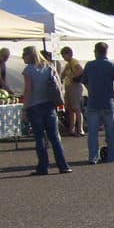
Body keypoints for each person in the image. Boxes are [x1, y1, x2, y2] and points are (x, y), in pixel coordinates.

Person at [21, 46, 72, 175]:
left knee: (40, 138)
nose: (22, 57)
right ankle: (63, 165)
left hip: (34, 106)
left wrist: (25, 108)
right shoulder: (49, 66)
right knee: (55, 137)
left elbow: (28, 90)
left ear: (29, 55)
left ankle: (43, 167)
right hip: (49, 104)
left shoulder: (29, 70)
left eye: (24, 54)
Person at [82, 41, 114, 164]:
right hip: (108, 102)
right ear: (106, 51)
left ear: (96, 52)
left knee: (92, 133)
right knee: (111, 132)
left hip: (93, 102)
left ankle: (93, 157)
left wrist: (91, 90)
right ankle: (113, 155)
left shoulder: (89, 65)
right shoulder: (112, 65)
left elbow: (84, 81)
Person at [60, 47, 86, 136]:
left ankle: (80, 128)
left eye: (64, 55)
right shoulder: (68, 64)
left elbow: (81, 71)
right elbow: (63, 74)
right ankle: (72, 128)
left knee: (76, 108)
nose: (63, 57)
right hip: (69, 87)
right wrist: (61, 78)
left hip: (75, 86)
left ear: (69, 54)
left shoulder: (74, 62)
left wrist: (73, 76)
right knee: (70, 109)